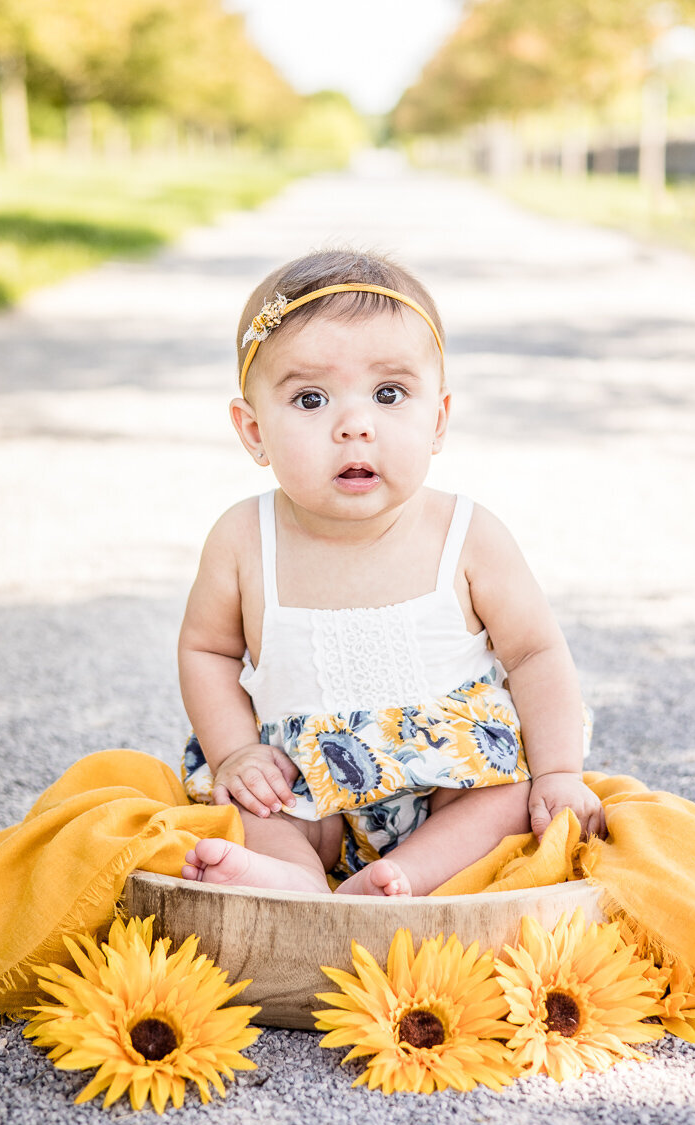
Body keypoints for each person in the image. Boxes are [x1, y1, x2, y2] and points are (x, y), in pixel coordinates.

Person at [178, 249, 603, 899]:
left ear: (437, 420)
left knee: (505, 800)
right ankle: (294, 876)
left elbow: (537, 653)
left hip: (447, 782)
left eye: (388, 394)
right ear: (253, 430)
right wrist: (235, 750)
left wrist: (559, 773)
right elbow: (206, 650)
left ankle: (402, 875)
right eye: (311, 398)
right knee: (255, 810)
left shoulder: (467, 535)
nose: (355, 426)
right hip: (306, 785)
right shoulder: (243, 539)